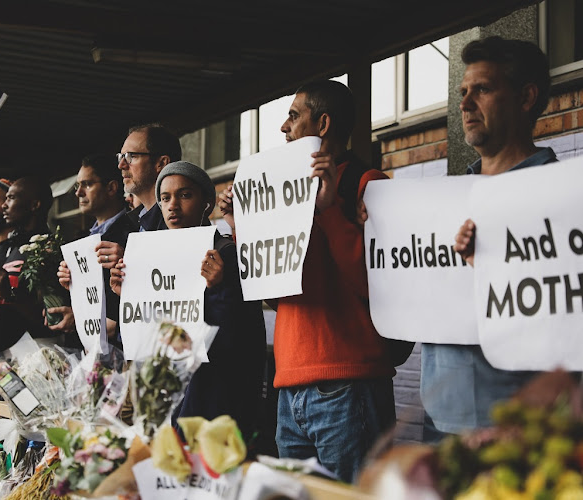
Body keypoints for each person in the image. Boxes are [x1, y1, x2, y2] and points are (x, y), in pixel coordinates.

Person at [218, 80, 394, 482]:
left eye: (294, 116)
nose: (283, 127)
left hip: (347, 382)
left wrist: (330, 210)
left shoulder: (367, 184)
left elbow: (377, 283)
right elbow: (275, 295)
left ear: (324, 123)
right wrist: (239, 226)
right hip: (290, 383)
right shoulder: (283, 191)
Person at [419, 36, 554, 436]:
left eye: (482, 89)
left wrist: (494, 267)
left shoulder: (560, 195)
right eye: (462, 92)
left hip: (514, 426)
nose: (463, 104)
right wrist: (377, 230)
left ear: (526, 97)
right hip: (438, 419)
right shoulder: (449, 198)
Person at [111, 161, 266, 438]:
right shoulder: (150, 259)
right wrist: (127, 296)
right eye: (165, 198)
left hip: (213, 403)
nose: (172, 206)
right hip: (168, 402)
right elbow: (150, 335)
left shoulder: (226, 254)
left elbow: (243, 337)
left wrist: (219, 288)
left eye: (185, 195)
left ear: (207, 203)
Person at [0, 177, 68, 352]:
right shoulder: (14, 247)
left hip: (38, 354)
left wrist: (10, 295)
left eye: (12, 198)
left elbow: (51, 317)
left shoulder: (48, 249)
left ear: (34, 205)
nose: (5, 205)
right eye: (5, 199)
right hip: (7, 355)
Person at [53, 154, 132, 338]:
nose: (78, 192)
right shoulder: (83, 240)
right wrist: (72, 285)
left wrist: (129, 260)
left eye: (87, 184)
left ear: (111, 187)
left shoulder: (134, 232)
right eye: (77, 185)